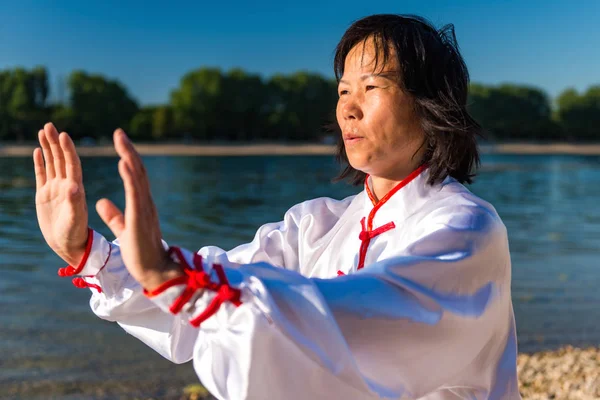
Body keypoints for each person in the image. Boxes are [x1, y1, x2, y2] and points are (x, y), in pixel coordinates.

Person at [34, 14, 521, 400]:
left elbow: (368, 321)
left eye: (371, 87)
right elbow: (209, 293)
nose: (348, 107)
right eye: (343, 91)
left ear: (431, 103)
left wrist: (177, 279)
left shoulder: (466, 229)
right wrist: (88, 252)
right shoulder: (315, 224)